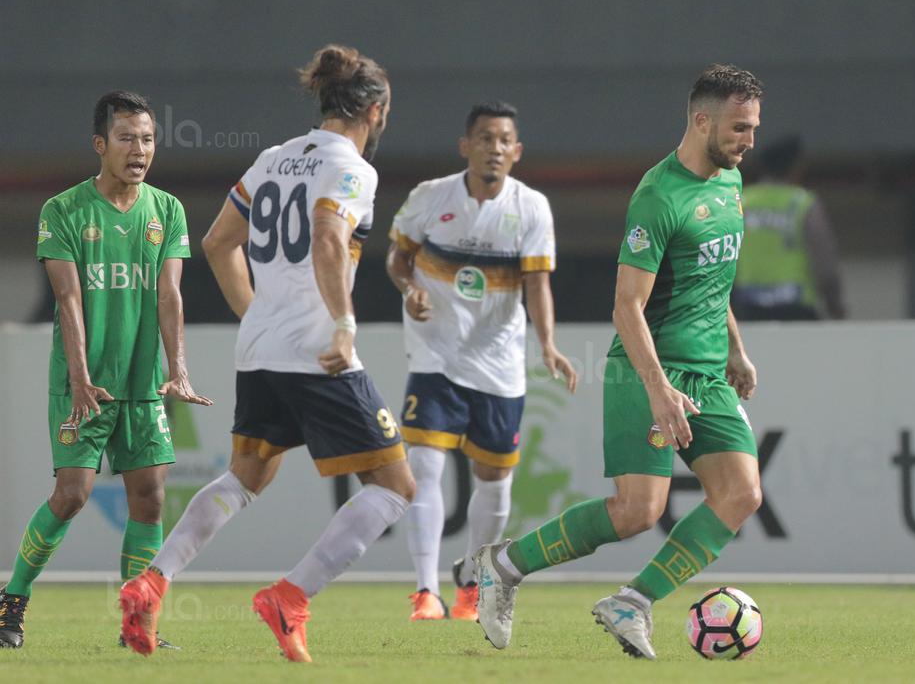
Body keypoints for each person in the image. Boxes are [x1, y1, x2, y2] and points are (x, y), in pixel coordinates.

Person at [119, 44, 414, 663]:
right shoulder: (355, 168)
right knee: (395, 487)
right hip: (315, 350)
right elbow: (331, 241)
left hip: (258, 350)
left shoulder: (274, 159)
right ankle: (291, 597)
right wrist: (343, 324)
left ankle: (152, 580)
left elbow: (217, 242)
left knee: (247, 475)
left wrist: (258, 316)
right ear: (377, 110)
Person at [473, 64, 764, 660]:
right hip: (646, 368)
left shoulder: (730, 184)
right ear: (701, 120)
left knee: (741, 493)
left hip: (708, 374)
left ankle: (632, 602)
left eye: (754, 128)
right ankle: (503, 565)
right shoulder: (658, 195)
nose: (748, 141)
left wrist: (734, 346)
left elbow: (712, 279)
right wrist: (658, 390)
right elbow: (626, 307)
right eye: (739, 128)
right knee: (638, 511)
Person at [0, 91, 212, 650]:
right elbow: (67, 299)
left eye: (147, 139)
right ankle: (11, 601)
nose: (139, 150)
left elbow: (170, 294)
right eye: (126, 138)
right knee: (72, 494)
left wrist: (179, 367)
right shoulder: (63, 210)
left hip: (142, 385)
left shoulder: (167, 211)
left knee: (150, 493)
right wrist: (77, 376)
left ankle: (136, 622)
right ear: (100, 145)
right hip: (83, 385)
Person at [386, 101, 577, 621]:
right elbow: (398, 260)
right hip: (435, 354)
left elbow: (538, 283)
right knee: (423, 468)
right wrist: (408, 289)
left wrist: (548, 345)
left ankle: (471, 580)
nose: (494, 148)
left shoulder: (532, 207)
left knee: (495, 482)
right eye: (484, 137)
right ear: (465, 146)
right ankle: (426, 591)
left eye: (504, 140)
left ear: (516, 152)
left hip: (498, 363)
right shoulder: (430, 198)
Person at [733, 135, 847, 320]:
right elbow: (824, 261)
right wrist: (834, 304)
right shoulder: (803, 203)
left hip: (749, 307)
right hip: (796, 307)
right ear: (795, 167)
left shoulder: (741, 203)